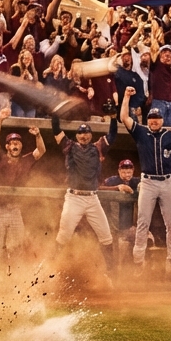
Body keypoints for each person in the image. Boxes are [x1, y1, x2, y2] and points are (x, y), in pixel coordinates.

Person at [119, 84, 171, 278]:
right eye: (151, 119)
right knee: (143, 222)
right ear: (148, 120)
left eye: (157, 118)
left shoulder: (169, 135)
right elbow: (124, 118)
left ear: (162, 120)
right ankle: (138, 261)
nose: (154, 121)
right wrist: (126, 97)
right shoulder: (141, 132)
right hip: (148, 182)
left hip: (166, 182)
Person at [49, 115, 119, 283]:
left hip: (92, 199)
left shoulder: (98, 147)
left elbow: (113, 136)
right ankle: (49, 269)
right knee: (63, 236)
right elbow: (56, 130)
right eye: (81, 133)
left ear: (91, 134)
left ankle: (111, 273)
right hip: (74, 197)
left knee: (106, 236)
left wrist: (114, 119)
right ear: (77, 135)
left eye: (87, 133)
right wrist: (55, 113)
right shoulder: (70, 146)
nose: (84, 136)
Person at [0, 107, 45, 264]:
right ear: (7, 146)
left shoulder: (26, 160)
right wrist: (0, 119)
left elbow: (41, 150)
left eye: (17, 143)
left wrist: (38, 135)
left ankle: (14, 282)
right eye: (11, 143)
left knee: (17, 247)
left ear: (21, 146)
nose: (14, 146)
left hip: (14, 208)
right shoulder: (0, 158)